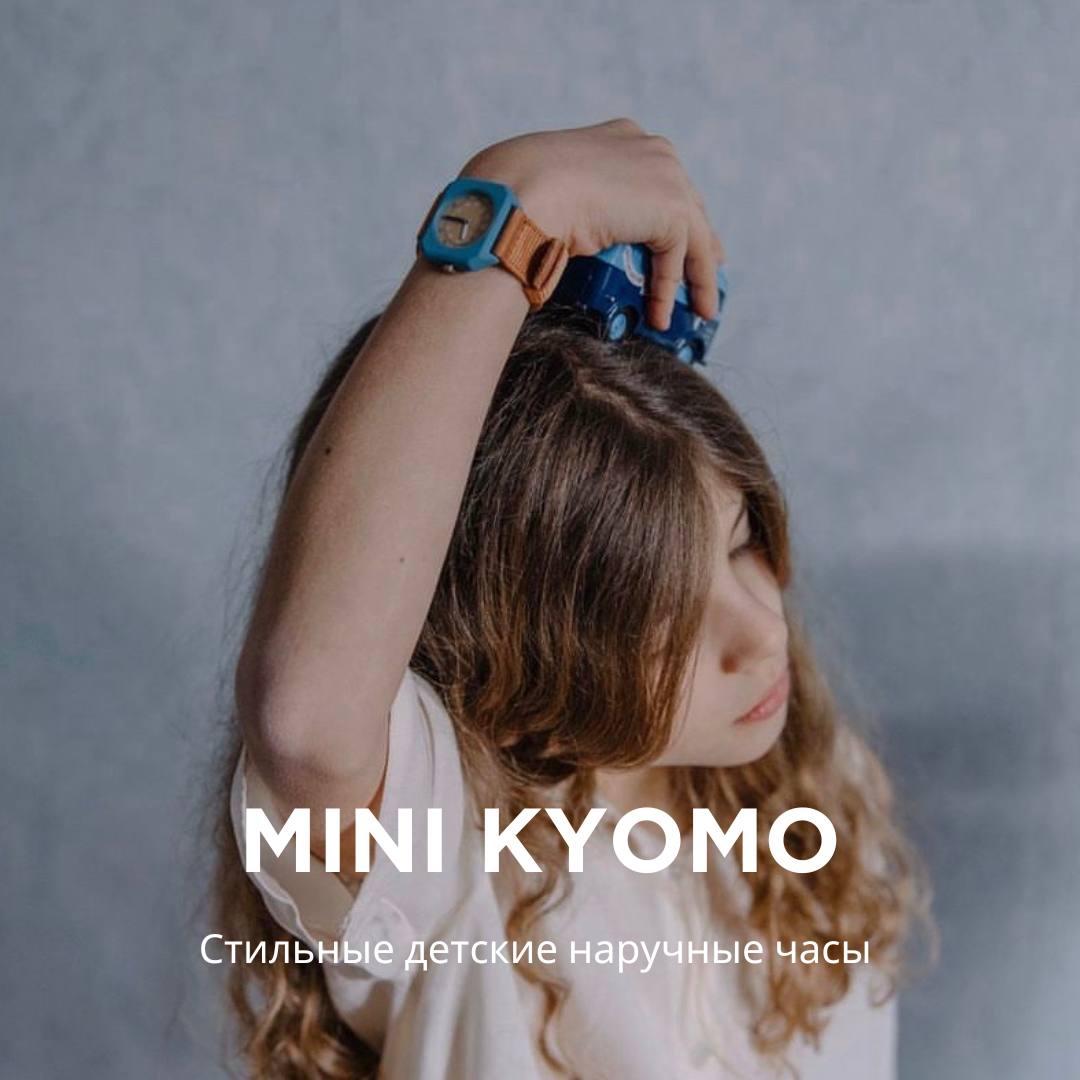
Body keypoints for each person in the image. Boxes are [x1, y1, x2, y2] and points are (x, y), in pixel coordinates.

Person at [210, 118, 933, 1079]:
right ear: (520, 644)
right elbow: (306, 724)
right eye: (660, 623)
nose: (761, 636)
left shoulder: (802, 797)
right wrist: (514, 197)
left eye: (742, 542)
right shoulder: (446, 862)